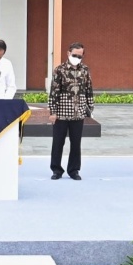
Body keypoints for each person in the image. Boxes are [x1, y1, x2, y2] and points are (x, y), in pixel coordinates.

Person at [48, 42, 94, 180]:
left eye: (80, 56)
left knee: (76, 143)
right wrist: (52, 112)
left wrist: (90, 108)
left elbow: (88, 90)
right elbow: (54, 91)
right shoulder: (59, 70)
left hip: (78, 112)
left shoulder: (85, 70)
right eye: (74, 55)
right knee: (58, 142)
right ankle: (56, 170)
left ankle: (74, 170)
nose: (77, 58)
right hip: (61, 113)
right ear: (68, 53)